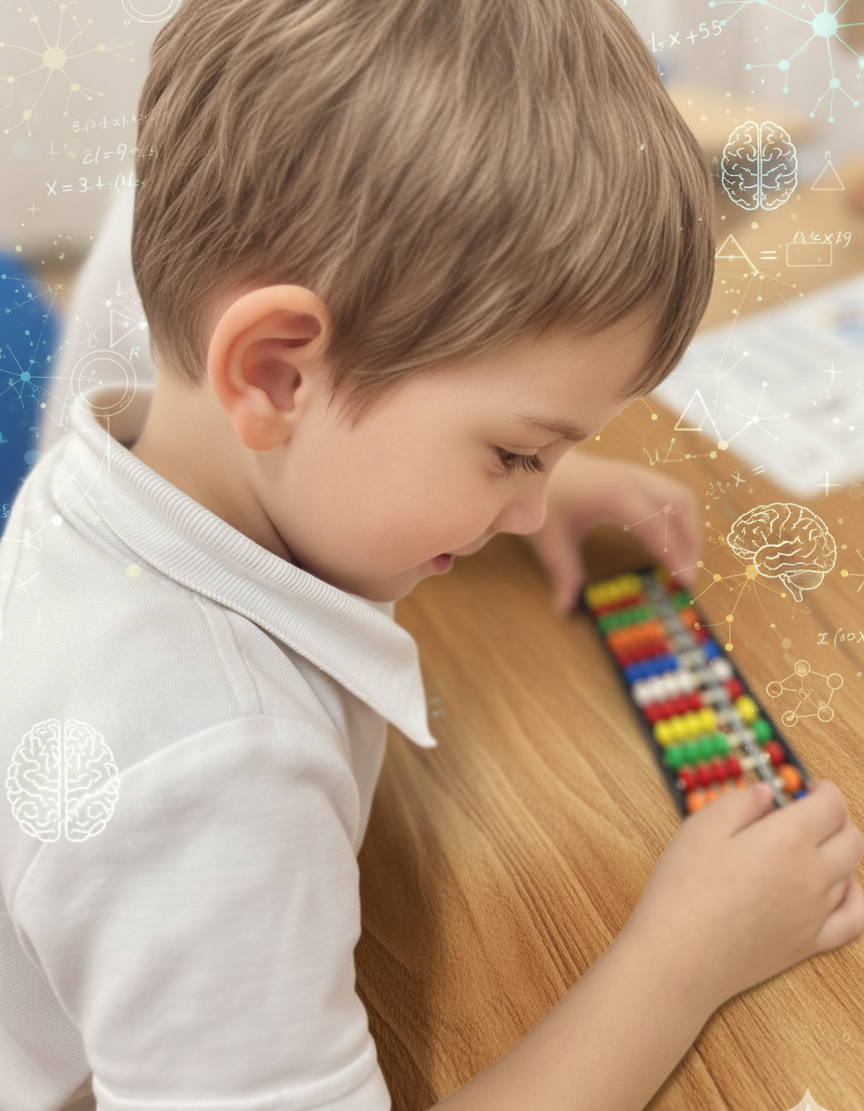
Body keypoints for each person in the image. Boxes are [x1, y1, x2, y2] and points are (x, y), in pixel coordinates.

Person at [2, 1, 863, 1109]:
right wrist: (685, 951)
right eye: (513, 450)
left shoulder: (119, 464)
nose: (526, 501)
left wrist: (529, 482)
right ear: (274, 373)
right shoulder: (211, 775)